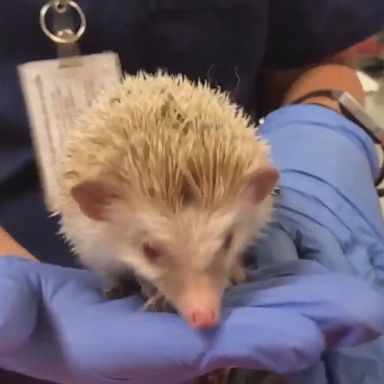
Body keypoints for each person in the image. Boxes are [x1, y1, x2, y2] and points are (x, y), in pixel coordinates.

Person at [1, 1, 384, 383]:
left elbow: (319, 57)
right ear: (97, 205)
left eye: (223, 242)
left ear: (259, 190)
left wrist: (321, 131)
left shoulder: (250, 196)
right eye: (152, 249)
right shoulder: (95, 217)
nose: (202, 309)